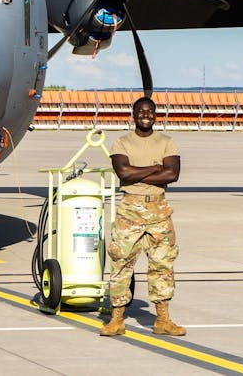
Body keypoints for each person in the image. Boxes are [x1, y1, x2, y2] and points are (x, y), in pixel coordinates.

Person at [100, 96, 186, 337]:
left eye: (150, 111)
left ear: (155, 115)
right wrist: (155, 168)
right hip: (130, 209)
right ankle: (116, 320)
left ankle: (162, 320)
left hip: (158, 209)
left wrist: (137, 175)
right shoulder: (122, 143)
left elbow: (173, 174)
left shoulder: (167, 142)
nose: (145, 115)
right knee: (122, 263)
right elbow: (123, 172)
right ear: (133, 115)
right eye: (141, 111)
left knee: (162, 264)